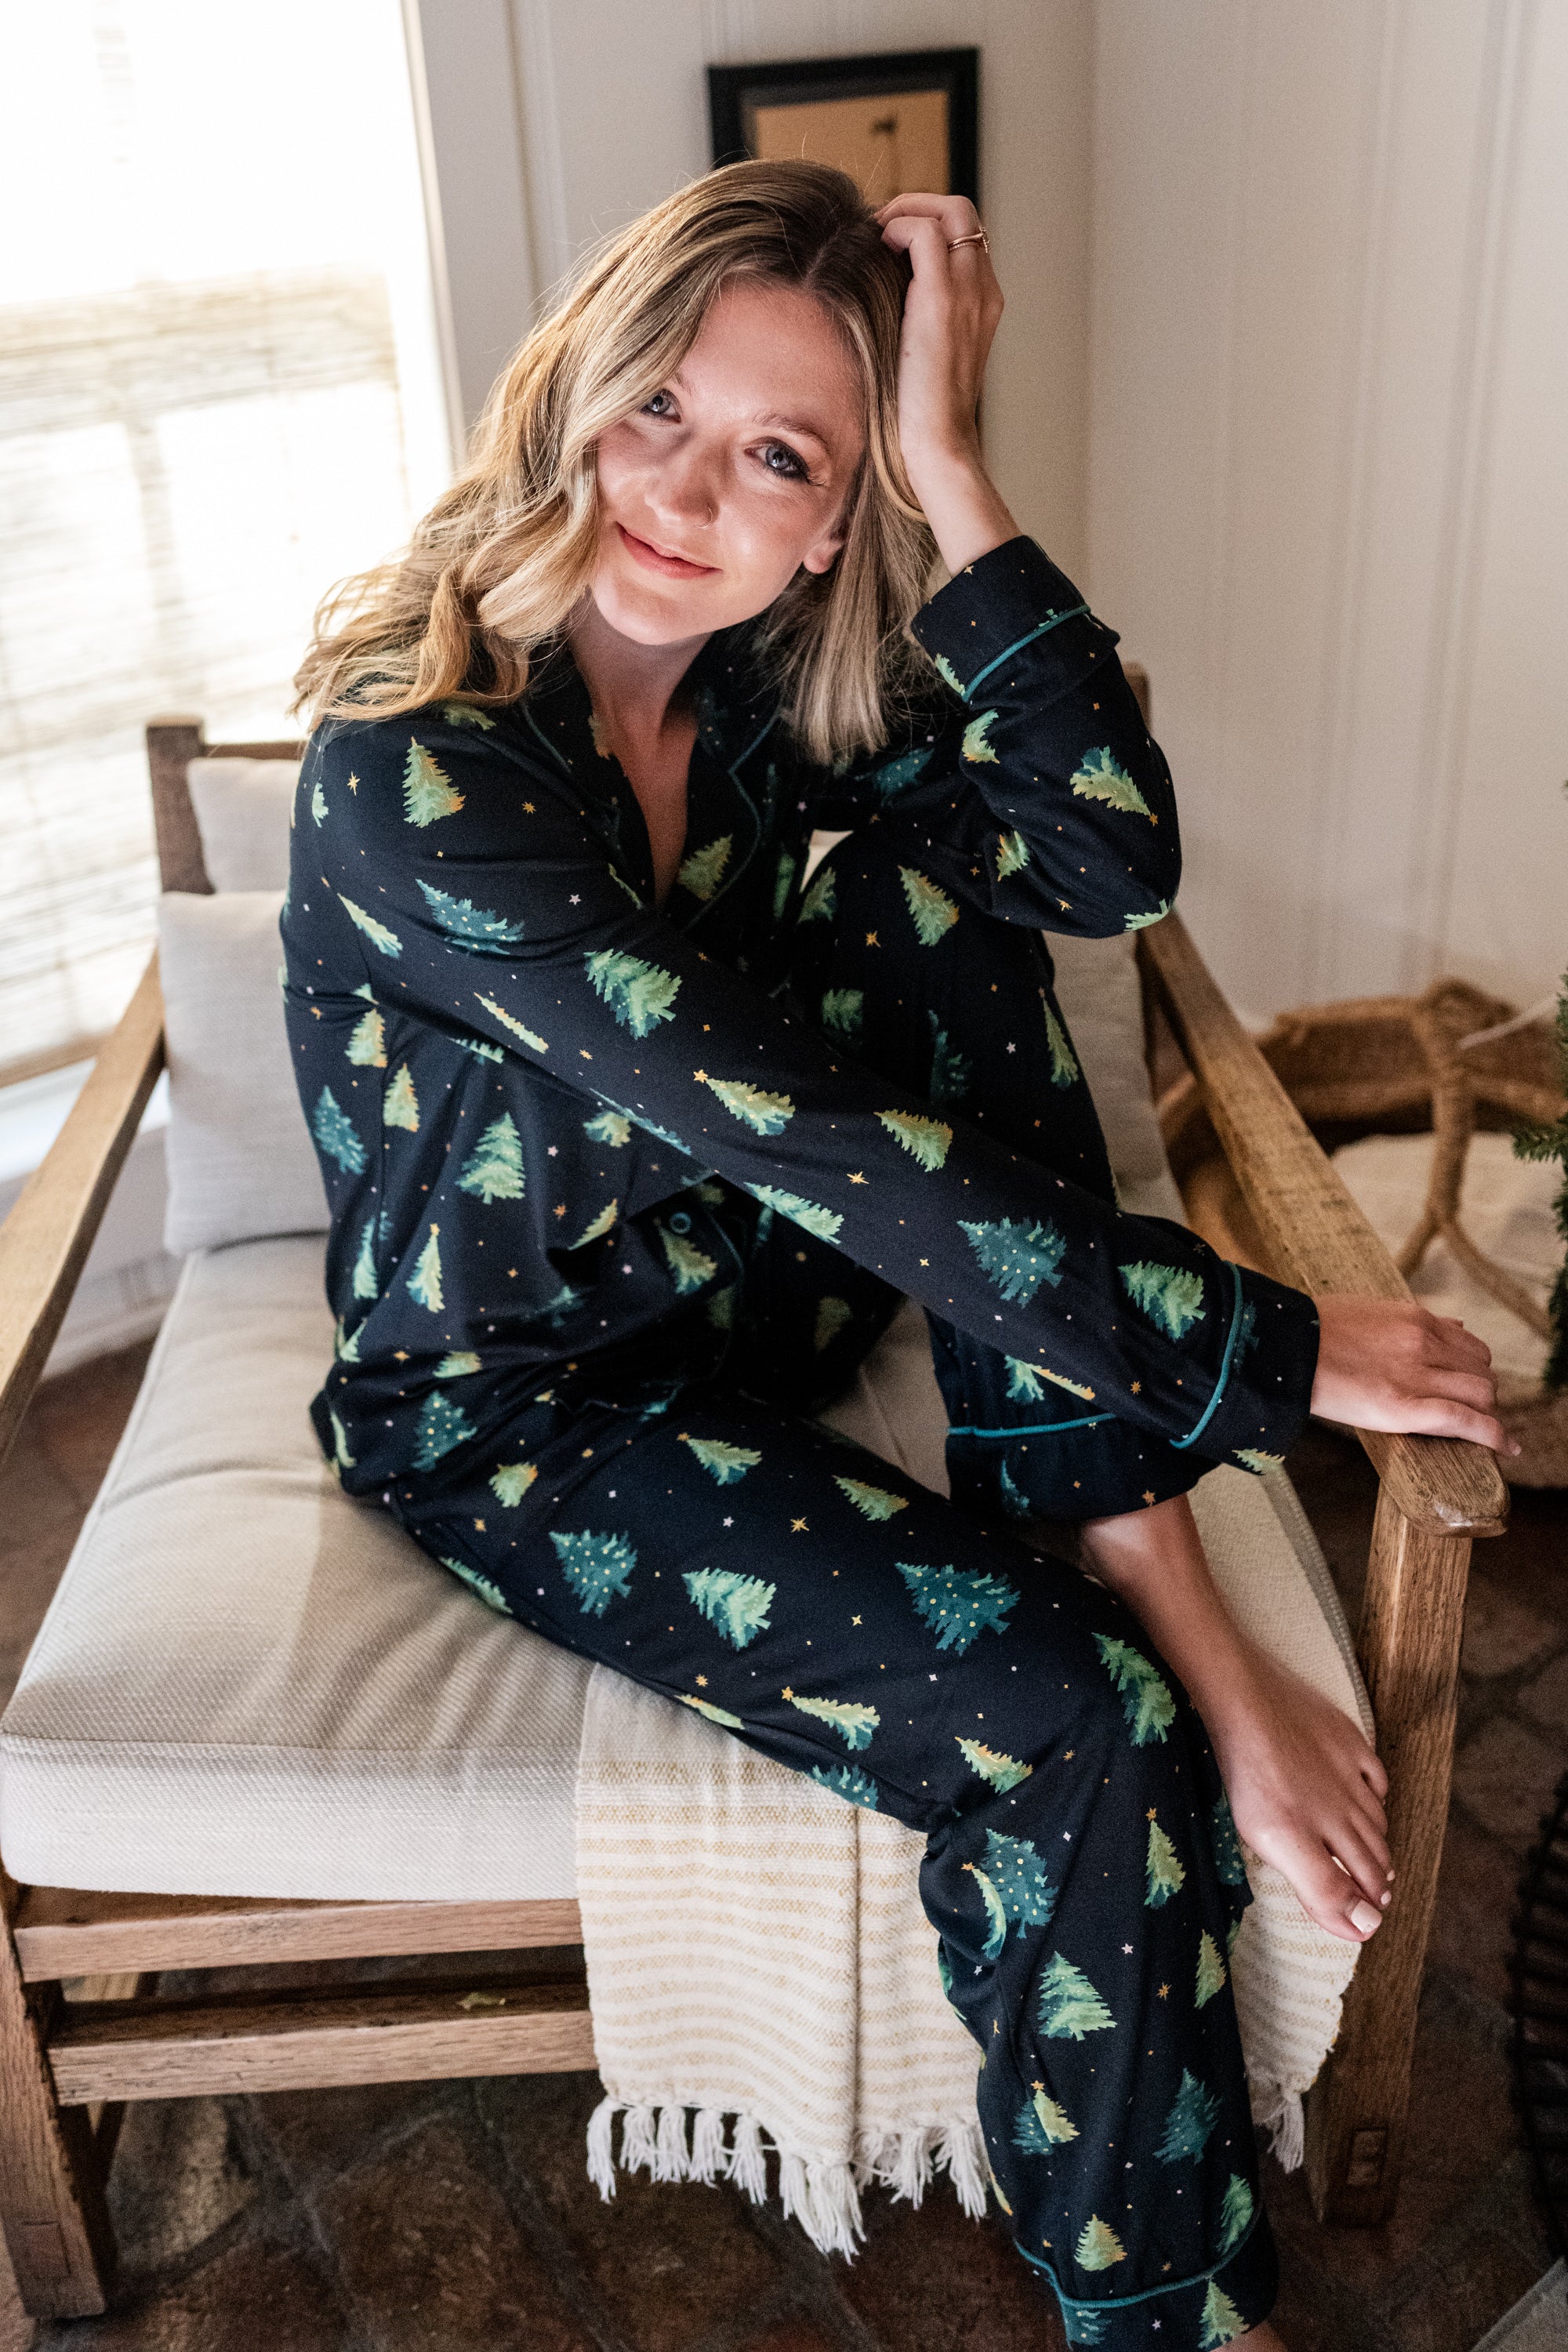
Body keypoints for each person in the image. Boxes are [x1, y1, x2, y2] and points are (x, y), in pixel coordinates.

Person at [284, 160, 1507, 2350]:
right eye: (658, 403)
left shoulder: (767, 702)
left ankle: (1149, 1565)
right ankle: (1177, 2318)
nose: (687, 489)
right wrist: (1272, 1348)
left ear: (830, 520)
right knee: (1071, 1724)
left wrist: (952, 457)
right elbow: (819, 1143)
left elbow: (1105, 858)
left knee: (931, 909)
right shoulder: (415, 770)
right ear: (573, 384)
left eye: (780, 455)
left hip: (762, 1297)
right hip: (529, 1406)